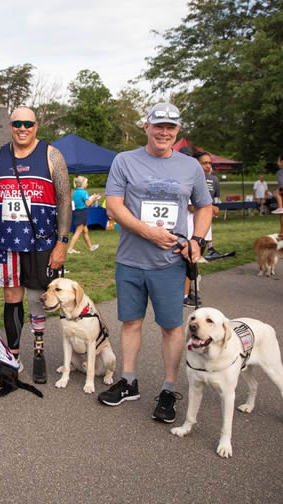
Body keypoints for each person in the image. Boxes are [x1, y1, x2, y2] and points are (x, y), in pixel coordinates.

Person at [97, 102, 212, 424]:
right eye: (158, 125)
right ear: (146, 126)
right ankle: (128, 381)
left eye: (170, 127)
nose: (164, 132)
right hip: (131, 260)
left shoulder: (190, 166)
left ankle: (169, 389)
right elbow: (114, 206)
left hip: (170, 263)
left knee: (171, 327)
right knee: (131, 322)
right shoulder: (125, 160)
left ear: (178, 131)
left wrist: (197, 240)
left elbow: (204, 206)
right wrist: (148, 232)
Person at [0, 106, 71, 384]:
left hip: (42, 240)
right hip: (6, 241)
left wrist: (62, 242)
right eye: (17, 123)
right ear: (10, 126)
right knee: (11, 298)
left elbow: (65, 200)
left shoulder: (52, 155)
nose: (22, 128)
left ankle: (39, 350)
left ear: (36, 126)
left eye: (28, 124)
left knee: (40, 296)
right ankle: (13, 355)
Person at [183, 151, 221, 307]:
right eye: (204, 163)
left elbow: (210, 206)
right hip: (190, 227)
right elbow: (192, 207)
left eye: (209, 163)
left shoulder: (210, 180)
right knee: (188, 262)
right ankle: (184, 295)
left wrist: (211, 209)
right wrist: (211, 208)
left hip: (203, 227)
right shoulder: (189, 179)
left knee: (194, 262)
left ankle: (188, 291)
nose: (208, 166)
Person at [68, 175, 100, 253]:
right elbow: (88, 204)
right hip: (82, 213)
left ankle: (91, 247)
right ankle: (70, 249)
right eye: (86, 182)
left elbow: (82, 201)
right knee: (78, 232)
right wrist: (94, 198)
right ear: (82, 184)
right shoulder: (84, 192)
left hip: (77, 213)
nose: (87, 184)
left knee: (85, 231)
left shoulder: (75, 192)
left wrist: (92, 198)